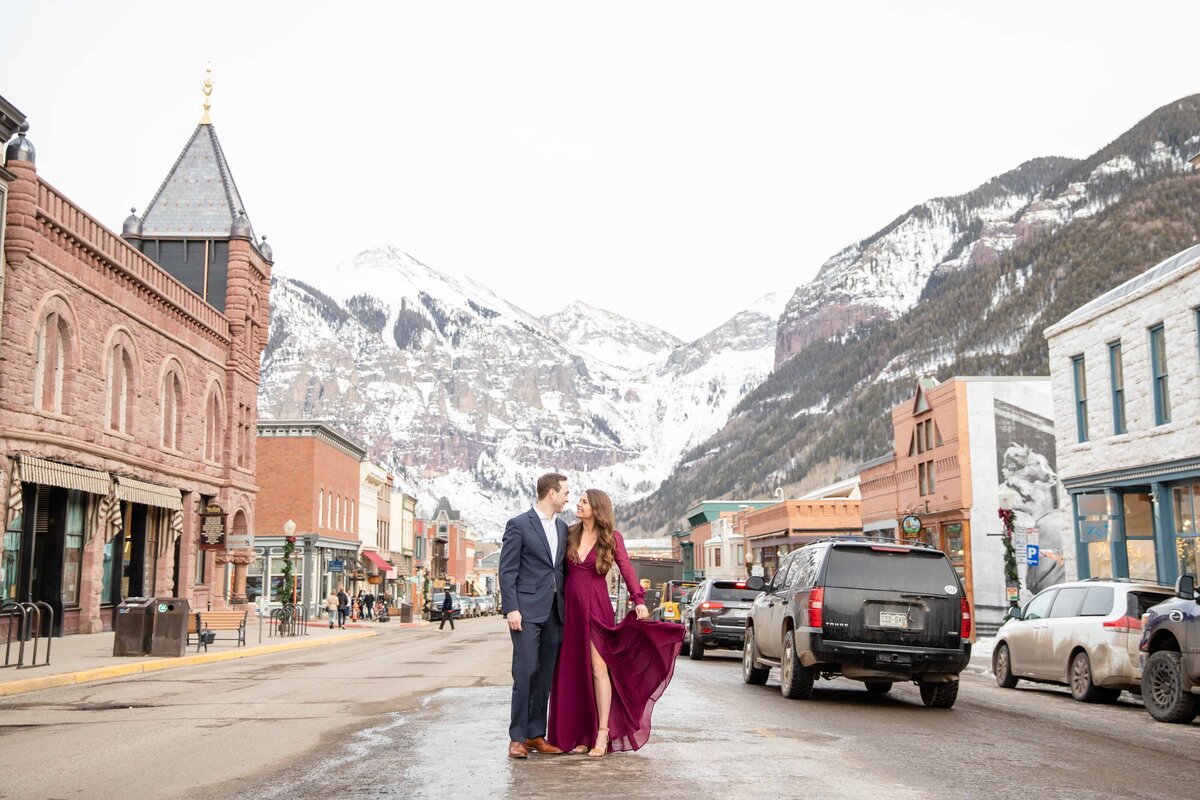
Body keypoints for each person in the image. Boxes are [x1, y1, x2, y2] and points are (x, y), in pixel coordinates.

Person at [548, 489, 683, 758]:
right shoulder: (570, 533)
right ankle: (580, 734)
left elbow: (626, 568)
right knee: (573, 670)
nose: (578, 504)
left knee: (599, 669)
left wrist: (639, 599)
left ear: (597, 508)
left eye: (584, 501)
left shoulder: (612, 538)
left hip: (597, 607)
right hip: (570, 609)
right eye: (578, 500)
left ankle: (602, 732)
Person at [500, 472, 570, 760]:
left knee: (544, 676)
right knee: (525, 671)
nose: (568, 497)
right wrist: (511, 608)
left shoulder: (563, 528)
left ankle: (535, 735)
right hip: (526, 612)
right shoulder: (519, 525)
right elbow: (507, 570)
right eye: (565, 491)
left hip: (555, 610)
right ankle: (516, 737)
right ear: (551, 493)